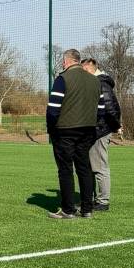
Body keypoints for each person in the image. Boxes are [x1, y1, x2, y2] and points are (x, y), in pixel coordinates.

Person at [46, 49, 101, 219]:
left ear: (67, 62)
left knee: (65, 169)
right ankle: (87, 208)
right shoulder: (94, 81)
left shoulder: (63, 79)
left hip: (65, 131)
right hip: (88, 130)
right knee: (84, 168)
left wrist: (51, 128)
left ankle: (68, 210)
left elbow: (53, 110)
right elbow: (100, 110)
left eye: (63, 61)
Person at [82, 58, 121, 211]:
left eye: (83, 71)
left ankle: (103, 201)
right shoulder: (98, 83)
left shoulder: (101, 84)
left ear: (90, 69)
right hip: (95, 130)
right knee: (91, 166)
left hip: (100, 130)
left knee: (99, 166)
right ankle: (93, 199)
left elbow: (111, 108)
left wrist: (116, 126)